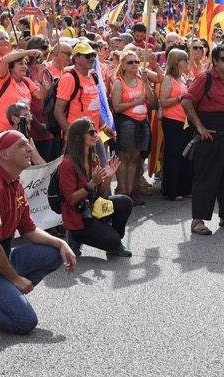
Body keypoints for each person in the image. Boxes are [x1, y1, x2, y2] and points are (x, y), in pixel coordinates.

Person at [0, 129, 76, 333]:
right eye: (21, 145)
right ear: (4, 154)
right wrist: (15, 279)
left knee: (55, 254)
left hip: (1, 258)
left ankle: (1, 293)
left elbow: (29, 229)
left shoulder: (15, 183)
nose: (29, 148)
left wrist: (61, 243)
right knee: (25, 323)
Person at [183, 41, 224, 237]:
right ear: (214, 60)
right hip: (211, 137)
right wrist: (200, 126)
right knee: (206, 179)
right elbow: (187, 101)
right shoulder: (204, 79)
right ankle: (198, 221)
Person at [56, 118, 133, 259]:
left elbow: (100, 194)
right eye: (91, 132)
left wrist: (108, 176)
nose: (95, 135)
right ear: (79, 137)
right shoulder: (67, 164)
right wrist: (90, 184)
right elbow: (71, 199)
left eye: (95, 132)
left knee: (125, 202)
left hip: (92, 209)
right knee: (112, 240)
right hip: (77, 217)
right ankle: (75, 236)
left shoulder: (93, 158)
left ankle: (114, 242)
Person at [109, 46, 152, 203]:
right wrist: (136, 102)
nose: (134, 64)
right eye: (130, 62)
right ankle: (123, 191)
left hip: (142, 122)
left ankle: (132, 191)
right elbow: (117, 107)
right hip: (127, 123)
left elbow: (152, 102)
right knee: (124, 157)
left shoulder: (141, 80)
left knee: (135, 158)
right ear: (124, 65)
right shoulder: (119, 83)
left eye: (137, 62)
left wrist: (147, 83)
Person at [156, 46, 193, 200]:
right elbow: (163, 102)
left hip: (184, 121)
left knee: (185, 155)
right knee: (173, 155)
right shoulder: (168, 79)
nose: (187, 63)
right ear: (177, 62)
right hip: (172, 121)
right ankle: (171, 190)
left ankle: (183, 188)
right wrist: (179, 98)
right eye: (185, 60)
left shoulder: (183, 78)